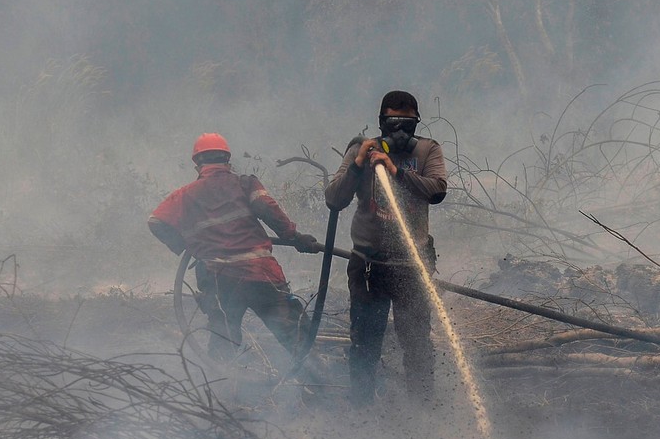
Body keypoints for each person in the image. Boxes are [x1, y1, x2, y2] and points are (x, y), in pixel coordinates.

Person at [149, 132, 321, 360]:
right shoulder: (244, 183)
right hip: (261, 275)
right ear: (227, 161)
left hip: (220, 280)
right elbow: (267, 210)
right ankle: (318, 387)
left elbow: (155, 221)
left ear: (197, 165)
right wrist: (295, 236)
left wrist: (183, 245)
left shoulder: (184, 196)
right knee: (298, 338)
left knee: (223, 342)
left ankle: (224, 390)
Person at [324, 90, 448, 406]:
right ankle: (362, 411)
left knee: (417, 344)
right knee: (365, 344)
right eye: (393, 123)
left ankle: (423, 413)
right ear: (381, 122)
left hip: (412, 266)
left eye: (407, 124)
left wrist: (397, 172)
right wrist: (359, 164)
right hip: (368, 266)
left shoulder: (427, 150)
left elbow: (437, 191)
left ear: (417, 123)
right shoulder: (360, 150)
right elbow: (334, 199)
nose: (400, 131)